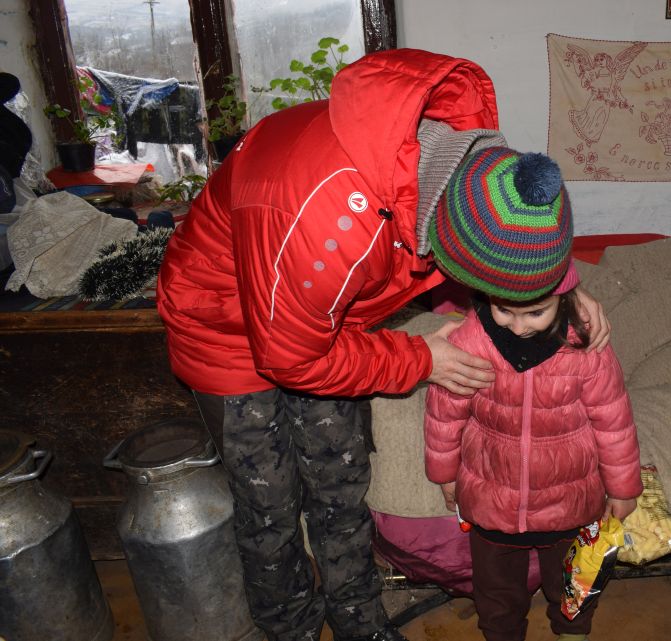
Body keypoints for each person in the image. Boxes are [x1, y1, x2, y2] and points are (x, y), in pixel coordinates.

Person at [156, 48, 610, 641]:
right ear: (445, 242)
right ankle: (290, 629)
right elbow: (292, 357)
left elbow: (513, 233)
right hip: (227, 331)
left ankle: (360, 624)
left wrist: (566, 292)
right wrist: (420, 359)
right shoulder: (325, 218)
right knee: (271, 508)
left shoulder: (470, 172)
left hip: (325, 313)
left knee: (340, 488)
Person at [422, 148, 642, 641]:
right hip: (490, 501)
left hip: (571, 503)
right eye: (505, 311)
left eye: (536, 313)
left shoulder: (586, 346)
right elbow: (444, 415)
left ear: (563, 295)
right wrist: (445, 474)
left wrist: (623, 487)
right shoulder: (467, 342)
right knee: (496, 593)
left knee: (575, 584)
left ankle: (572, 630)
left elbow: (613, 419)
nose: (519, 326)